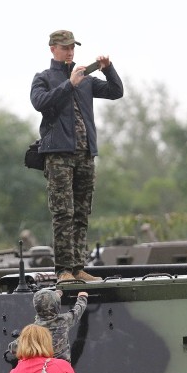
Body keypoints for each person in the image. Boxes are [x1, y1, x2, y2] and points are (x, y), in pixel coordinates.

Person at [31, 29, 124, 283]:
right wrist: (68, 84)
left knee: (81, 214)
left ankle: (78, 267)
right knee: (63, 213)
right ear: (53, 49)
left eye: (72, 47)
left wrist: (108, 69)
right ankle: (63, 270)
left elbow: (116, 91)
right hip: (58, 156)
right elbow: (40, 102)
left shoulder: (86, 79)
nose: (70, 51)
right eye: (64, 47)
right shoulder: (44, 78)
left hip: (85, 155)